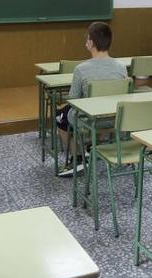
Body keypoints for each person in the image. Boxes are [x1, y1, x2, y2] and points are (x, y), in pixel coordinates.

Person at [55, 21, 129, 178]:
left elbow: (73, 99)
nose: (86, 41)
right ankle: (94, 146)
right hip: (116, 118)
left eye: (87, 38)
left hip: (90, 120)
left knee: (60, 116)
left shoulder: (81, 69)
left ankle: (78, 158)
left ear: (92, 43)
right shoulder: (121, 67)